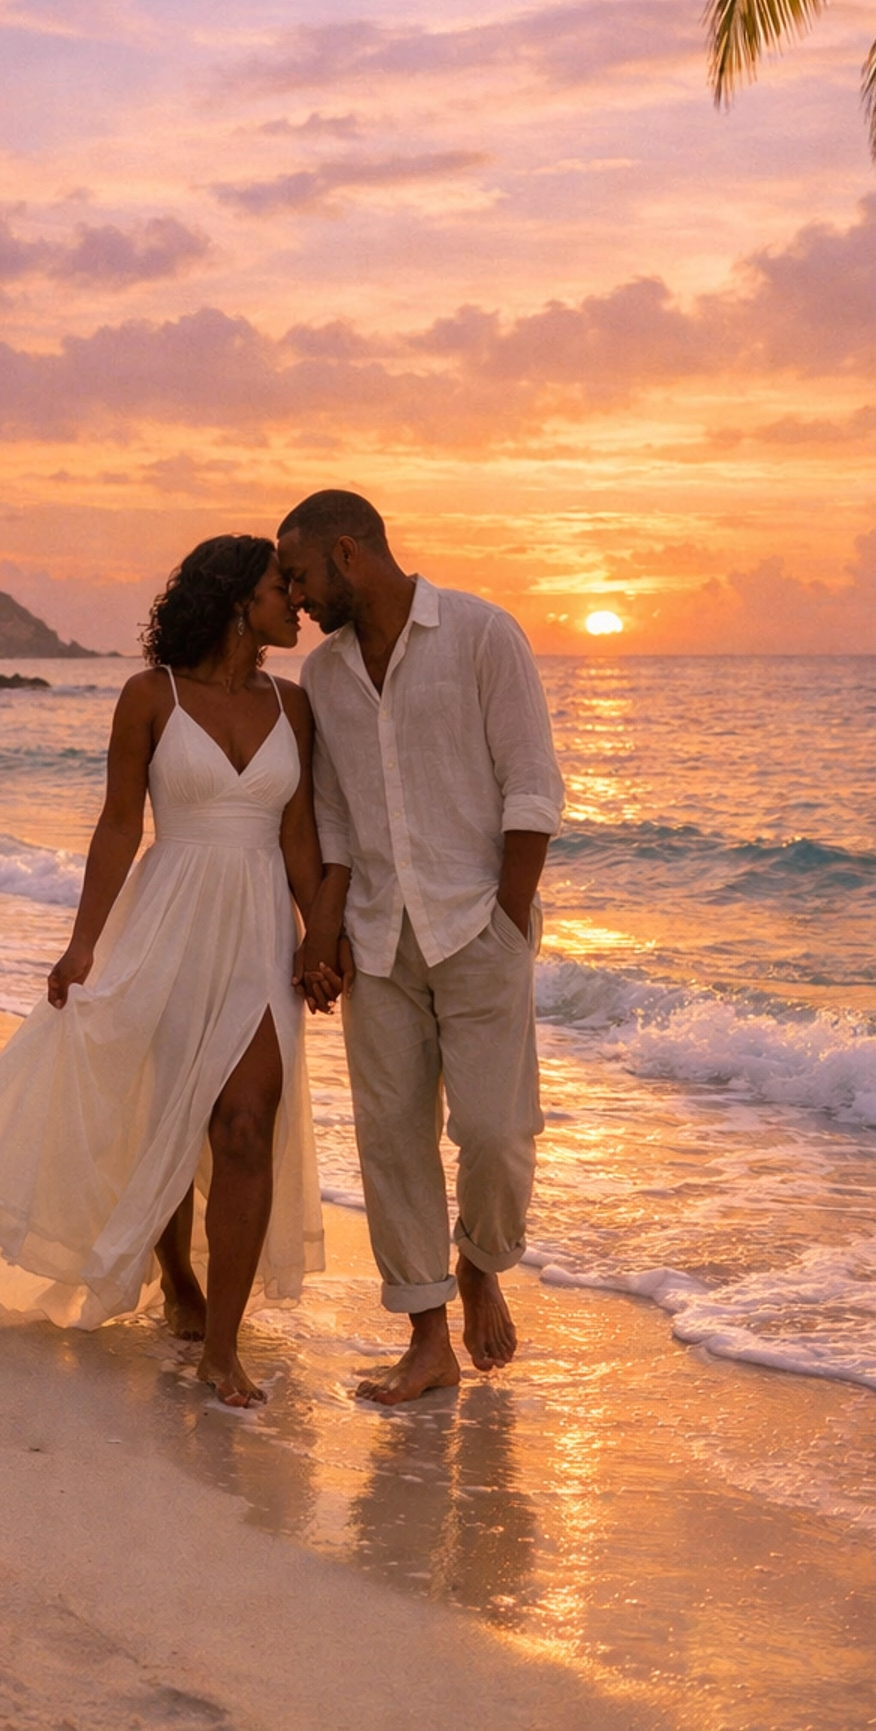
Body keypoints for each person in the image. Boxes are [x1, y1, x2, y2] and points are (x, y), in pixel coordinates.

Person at [0, 536, 342, 1407]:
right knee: (170, 1120)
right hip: (168, 922)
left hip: (258, 929)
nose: (293, 602)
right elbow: (118, 826)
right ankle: (176, 1270)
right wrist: (81, 944)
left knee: (246, 1125)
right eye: (276, 589)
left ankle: (222, 1346)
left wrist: (315, 939)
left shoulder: (295, 708)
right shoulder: (150, 696)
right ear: (233, 601)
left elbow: (302, 841)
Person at [278, 491, 564, 1406]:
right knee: (392, 1140)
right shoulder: (324, 677)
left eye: (301, 574)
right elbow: (330, 811)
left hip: (478, 926)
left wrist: (508, 916)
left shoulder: (484, 635)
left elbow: (532, 787)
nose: (295, 597)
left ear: (349, 555)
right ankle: (427, 1336)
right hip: (378, 936)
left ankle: (482, 1263)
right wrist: (323, 929)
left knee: (493, 1133)